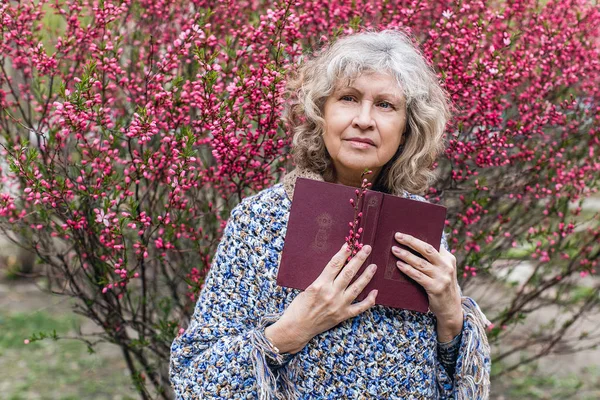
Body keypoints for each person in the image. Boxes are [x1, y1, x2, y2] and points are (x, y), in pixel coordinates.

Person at [169, 29, 491, 399]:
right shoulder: (261, 220)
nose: (364, 120)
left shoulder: (419, 225)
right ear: (320, 113)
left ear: (407, 129)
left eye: (386, 105)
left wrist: (451, 317)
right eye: (348, 98)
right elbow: (194, 381)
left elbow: (455, 383)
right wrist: (290, 331)